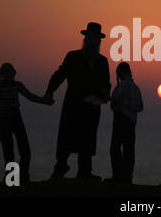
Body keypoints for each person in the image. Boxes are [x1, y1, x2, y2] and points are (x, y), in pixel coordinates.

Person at [44, 22, 111, 180]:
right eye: (91, 37)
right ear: (86, 38)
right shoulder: (72, 56)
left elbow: (106, 83)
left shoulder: (102, 61)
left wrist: (105, 94)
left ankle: (84, 172)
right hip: (73, 105)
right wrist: (49, 92)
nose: (93, 40)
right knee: (67, 137)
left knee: (87, 139)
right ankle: (59, 171)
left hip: (92, 106)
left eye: (96, 38)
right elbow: (60, 75)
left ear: (99, 41)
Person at [0, 63, 53, 184]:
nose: (8, 76)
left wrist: (44, 101)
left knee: (25, 150)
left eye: (10, 73)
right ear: (1, 75)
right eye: (5, 73)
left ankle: (23, 177)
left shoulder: (17, 85)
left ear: (13, 74)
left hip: (16, 117)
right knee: (8, 151)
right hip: (4, 119)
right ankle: (11, 179)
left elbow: (30, 96)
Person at [106, 62, 143, 184]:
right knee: (129, 150)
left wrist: (119, 104)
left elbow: (114, 102)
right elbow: (140, 107)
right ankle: (128, 177)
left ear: (120, 74)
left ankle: (117, 176)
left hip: (120, 119)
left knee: (115, 148)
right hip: (132, 122)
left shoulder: (121, 86)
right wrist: (130, 108)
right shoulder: (136, 88)